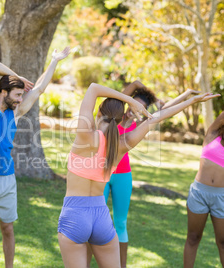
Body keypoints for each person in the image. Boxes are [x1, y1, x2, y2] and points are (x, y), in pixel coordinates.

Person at [57, 82, 219, 268]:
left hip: (75, 215)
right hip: (101, 217)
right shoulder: (122, 144)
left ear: (99, 112)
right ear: (119, 120)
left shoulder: (83, 135)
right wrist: (191, 101)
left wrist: (128, 99)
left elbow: (93, 87)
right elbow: (156, 118)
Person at [0, 47, 70, 268]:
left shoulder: (14, 114)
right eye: (17, 94)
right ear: (4, 91)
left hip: (6, 180)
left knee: (7, 228)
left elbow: (39, 90)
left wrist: (54, 60)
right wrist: (19, 78)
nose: (20, 100)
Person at [98, 82, 200, 268]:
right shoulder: (113, 116)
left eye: (140, 108)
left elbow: (164, 111)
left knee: (120, 223)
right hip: (100, 175)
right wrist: (138, 90)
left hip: (122, 175)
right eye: (133, 105)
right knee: (96, 221)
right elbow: (129, 88)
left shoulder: (140, 124)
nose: (133, 110)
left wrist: (186, 94)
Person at [184, 111, 224, 267]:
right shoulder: (212, 134)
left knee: (222, 243)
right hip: (198, 194)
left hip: (221, 197)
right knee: (193, 237)